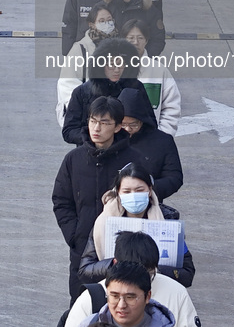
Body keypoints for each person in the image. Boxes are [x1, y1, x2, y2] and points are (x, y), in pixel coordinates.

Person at [53, 97, 153, 302]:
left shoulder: (133, 160)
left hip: (124, 253)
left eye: (104, 122)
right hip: (83, 251)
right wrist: (75, 236)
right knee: (83, 305)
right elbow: (61, 201)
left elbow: (146, 199)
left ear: (117, 126)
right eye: (92, 120)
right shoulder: (74, 159)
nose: (96, 128)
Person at [79, 163, 192, 287]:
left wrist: (153, 270)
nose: (133, 195)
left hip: (159, 291)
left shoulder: (168, 221)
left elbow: (187, 273)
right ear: (118, 192)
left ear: (149, 190)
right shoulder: (104, 222)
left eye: (139, 190)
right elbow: (85, 270)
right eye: (126, 191)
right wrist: (115, 266)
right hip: (117, 296)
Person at [68, 231, 198, 327]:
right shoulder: (91, 298)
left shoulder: (177, 293)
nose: (122, 305)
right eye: (114, 296)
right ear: (115, 263)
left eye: (130, 297)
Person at [62, 38, 141, 145]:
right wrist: (95, 137)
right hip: (92, 153)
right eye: (111, 64)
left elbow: (149, 124)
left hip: (128, 151)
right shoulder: (82, 91)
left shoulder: (136, 88)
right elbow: (69, 130)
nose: (116, 69)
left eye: (121, 64)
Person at [57, 1, 118, 126]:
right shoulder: (79, 50)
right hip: (86, 119)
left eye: (109, 20)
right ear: (92, 24)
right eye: (101, 21)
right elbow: (67, 85)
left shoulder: (120, 47)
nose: (107, 24)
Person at [120, 20, 180, 137]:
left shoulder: (159, 71)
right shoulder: (113, 70)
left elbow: (172, 107)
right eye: (131, 38)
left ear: (146, 41)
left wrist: (161, 136)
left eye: (140, 38)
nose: (135, 42)